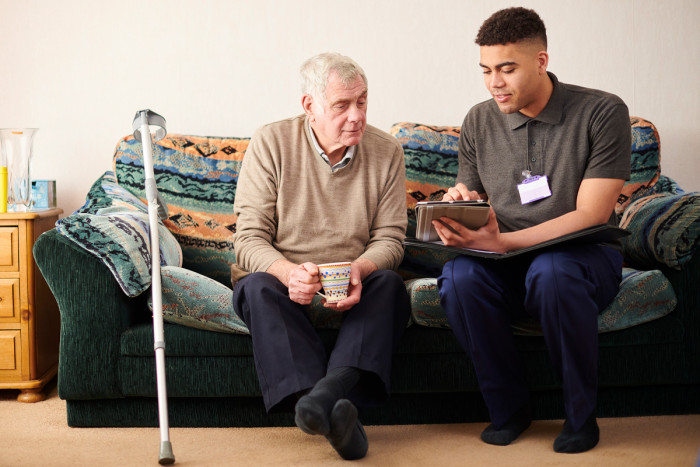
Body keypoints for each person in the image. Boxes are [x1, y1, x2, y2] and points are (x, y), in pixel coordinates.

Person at [436, 7, 631, 454]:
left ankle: (580, 418)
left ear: (541, 61)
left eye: (507, 68)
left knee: (552, 271)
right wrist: (461, 204)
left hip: (580, 257)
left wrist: (504, 241)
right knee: (458, 279)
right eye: (485, 70)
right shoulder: (479, 120)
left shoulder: (602, 111)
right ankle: (510, 410)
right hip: (505, 259)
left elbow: (592, 214)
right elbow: (477, 197)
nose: (494, 83)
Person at [231, 52, 410, 461]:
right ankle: (333, 406)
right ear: (309, 107)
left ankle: (320, 399)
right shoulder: (271, 142)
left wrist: (360, 268)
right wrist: (289, 272)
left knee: (390, 285)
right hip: (282, 280)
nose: (356, 116)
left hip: (354, 282)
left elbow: (391, 239)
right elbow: (249, 238)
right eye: (341, 106)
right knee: (255, 286)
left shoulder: (386, 151)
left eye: (362, 102)